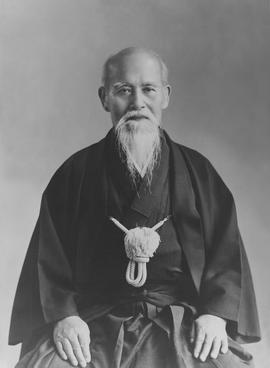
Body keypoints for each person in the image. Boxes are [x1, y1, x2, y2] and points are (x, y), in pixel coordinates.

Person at [9, 47, 261, 368]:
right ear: (104, 98)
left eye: (149, 90)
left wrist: (214, 314)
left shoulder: (198, 172)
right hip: (91, 323)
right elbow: (48, 262)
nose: (137, 102)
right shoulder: (75, 174)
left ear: (166, 96)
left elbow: (226, 257)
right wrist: (64, 318)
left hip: (179, 322)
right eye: (123, 90)